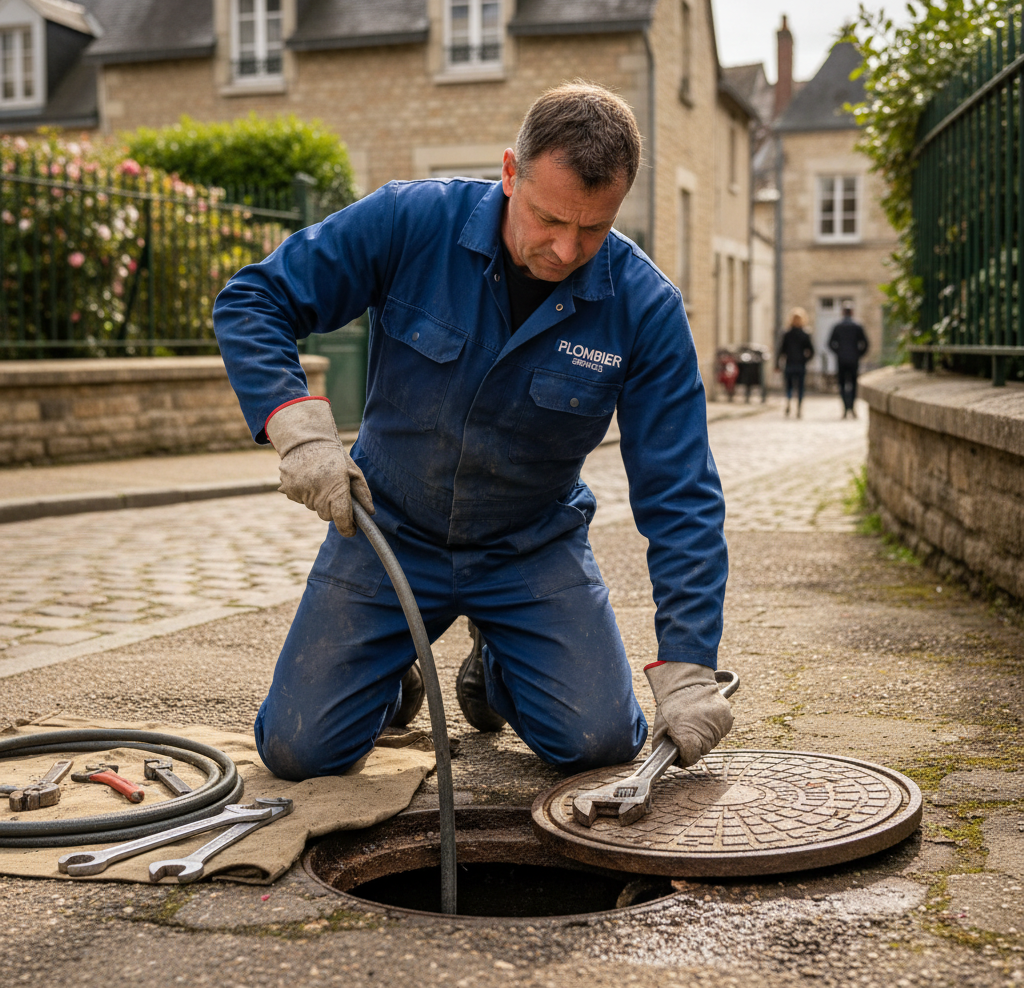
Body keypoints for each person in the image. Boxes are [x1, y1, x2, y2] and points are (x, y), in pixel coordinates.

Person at [213, 82, 732, 782]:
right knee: (298, 752)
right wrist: (297, 427)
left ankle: (498, 668)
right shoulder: (410, 221)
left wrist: (691, 661)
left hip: (528, 548)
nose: (566, 248)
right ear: (510, 173)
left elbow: (682, 491)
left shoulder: (644, 307)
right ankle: (392, 671)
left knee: (600, 743)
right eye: (548, 218)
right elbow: (254, 299)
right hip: (389, 531)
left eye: (594, 229)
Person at [828, 305, 870, 418]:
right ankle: (852, 406)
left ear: (843, 313)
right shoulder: (857, 326)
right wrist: (858, 354)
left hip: (841, 360)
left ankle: (845, 408)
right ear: (852, 312)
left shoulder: (837, 326)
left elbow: (830, 343)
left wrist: (838, 352)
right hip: (853, 360)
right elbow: (865, 344)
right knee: (853, 384)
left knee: (842, 384)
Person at [775, 309, 814, 418]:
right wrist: (805, 359)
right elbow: (811, 351)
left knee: (789, 387)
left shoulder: (787, 333)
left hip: (789, 363)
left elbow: (781, 350)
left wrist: (777, 364)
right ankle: (799, 408)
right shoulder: (805, 334)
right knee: (800, 387)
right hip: (800, 364)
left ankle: (788, 403)